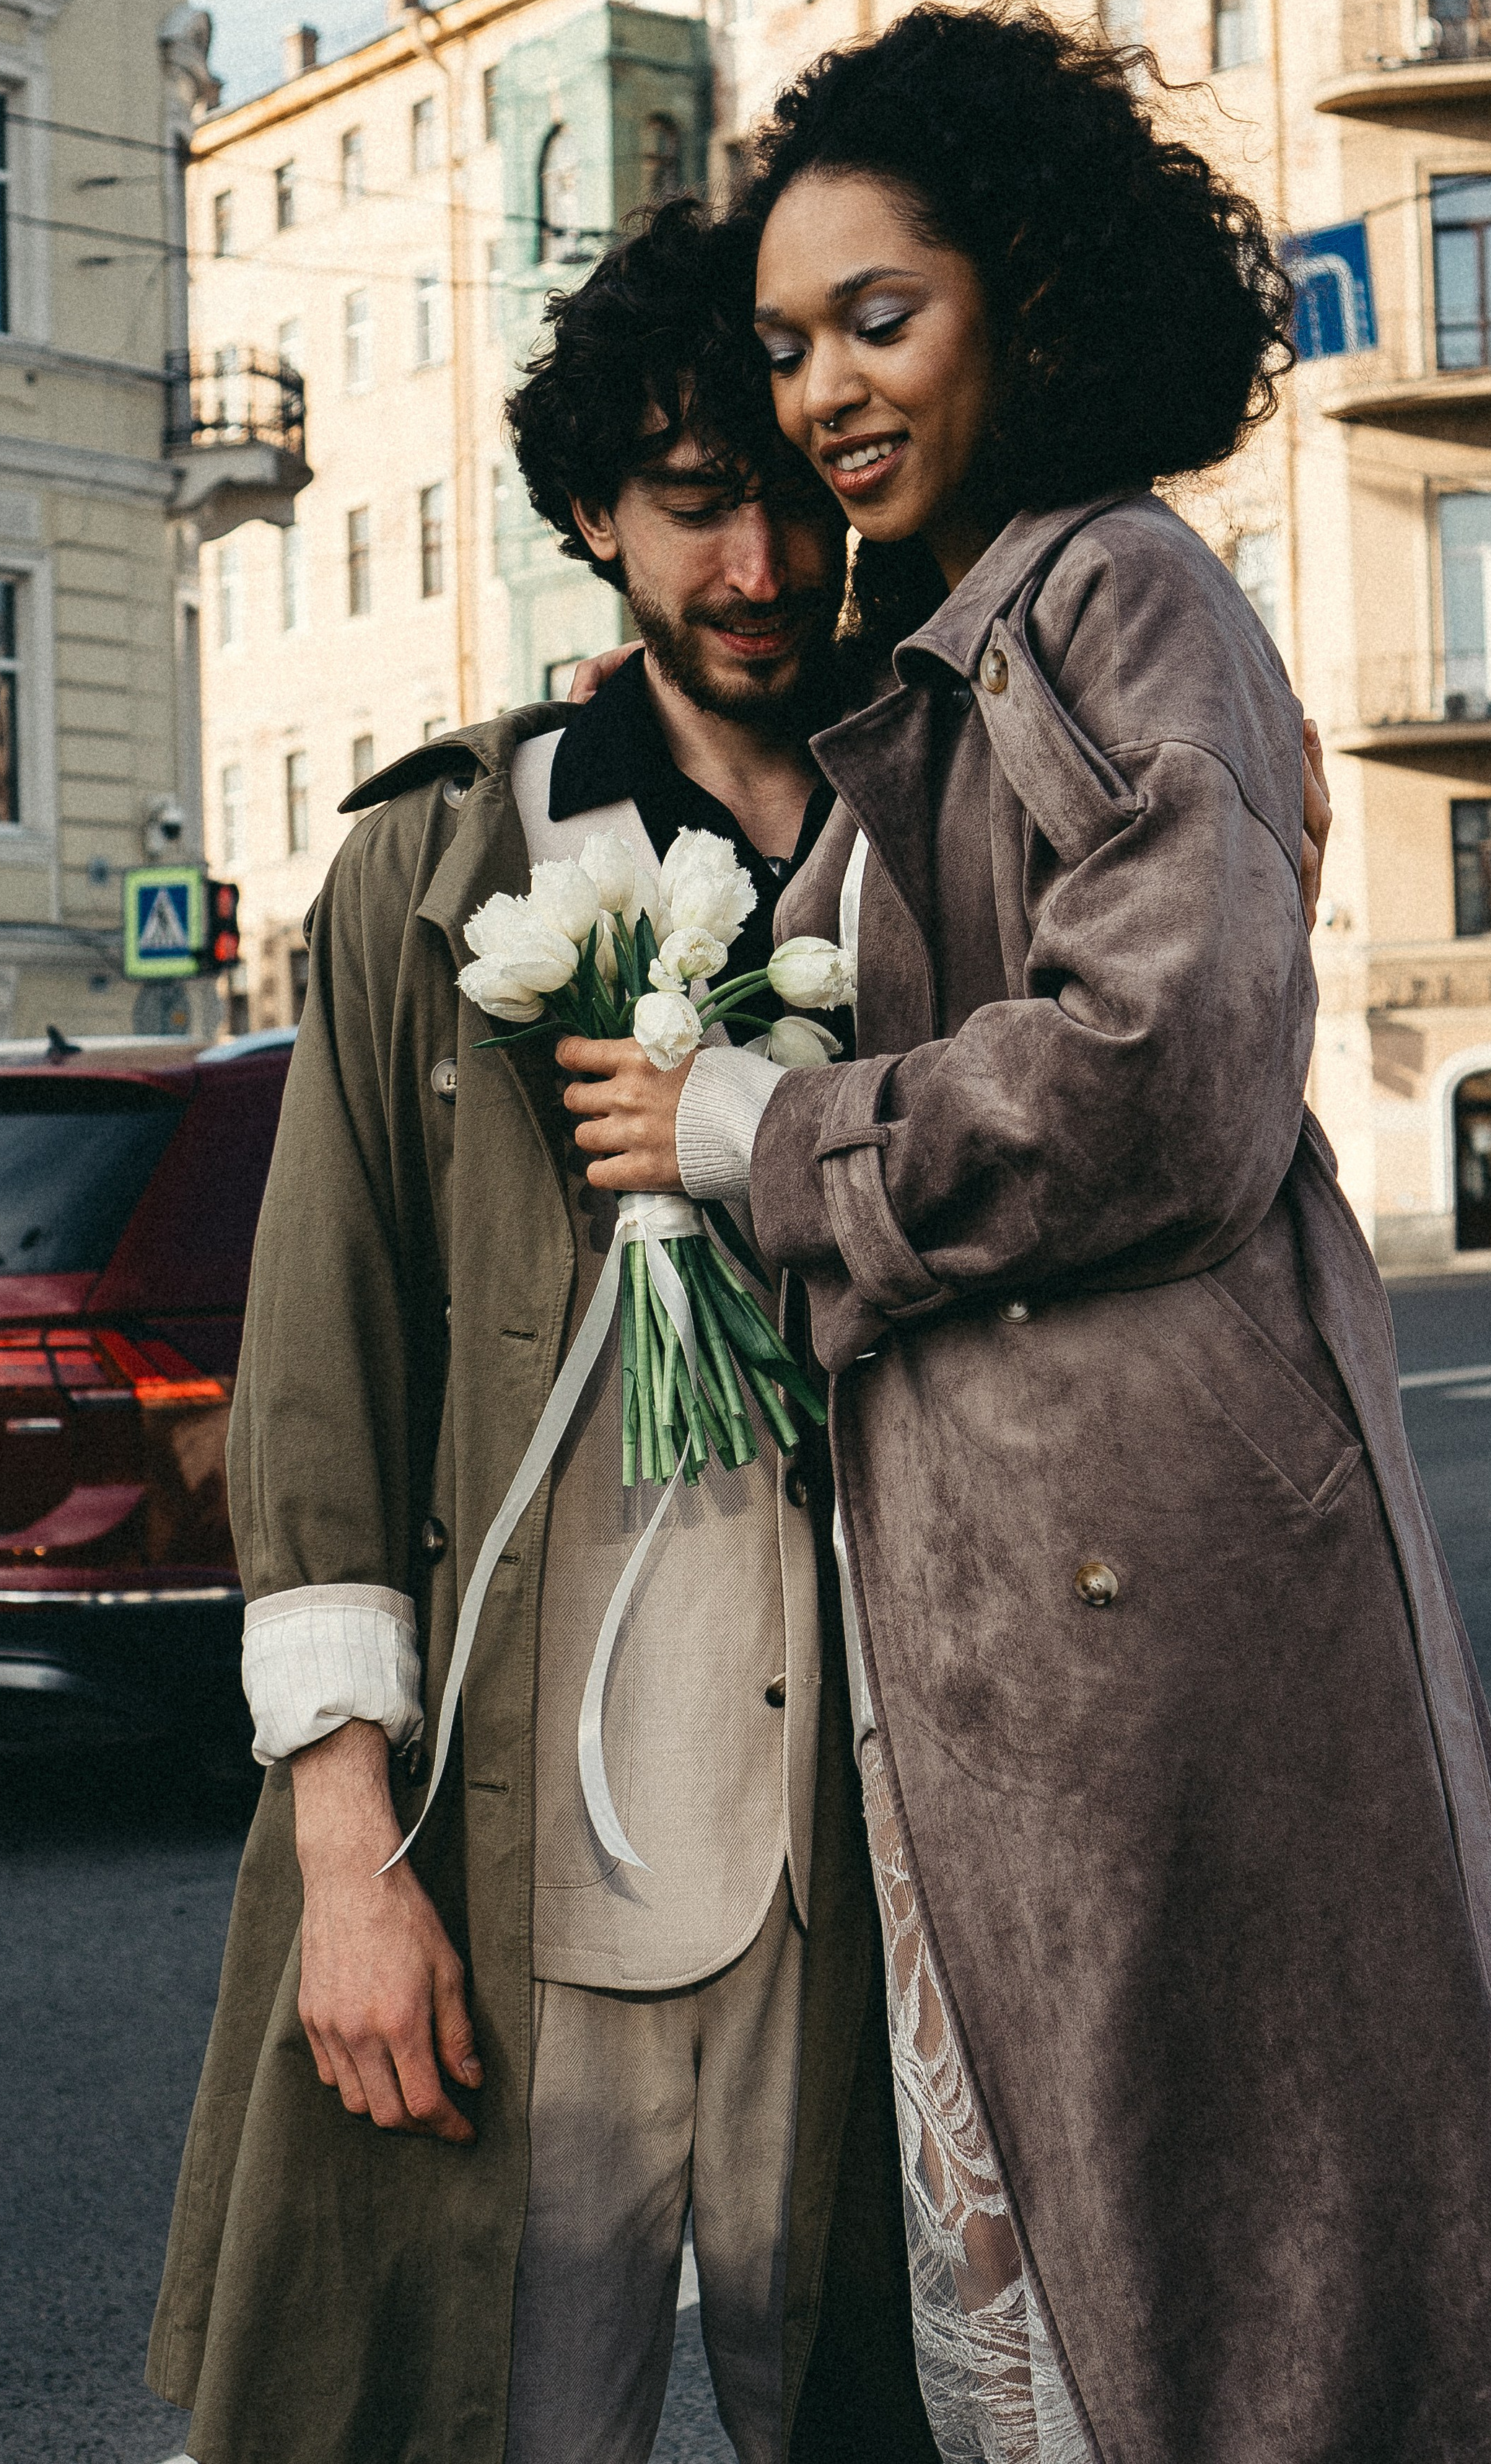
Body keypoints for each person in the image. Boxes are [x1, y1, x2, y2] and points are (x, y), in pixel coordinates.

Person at [558, 2, 1491, 2463]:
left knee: (1234, 2279)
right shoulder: (969, 635)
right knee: (1105, 2263)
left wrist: (750, 1144)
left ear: (1028, 291)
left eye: (877, 318)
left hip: (1150, 1583)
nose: (822, 394)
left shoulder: (1112, 588)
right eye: (789, 346)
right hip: (1029, 1601)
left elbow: (1162, 1077)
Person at [147, 196, 943, 2464]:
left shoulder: (952, 859)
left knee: (910, 2415)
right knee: (483, 2421)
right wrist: (344, 1874)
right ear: (597, 511)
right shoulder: (433, 872)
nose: (765, 562)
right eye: (700, 504)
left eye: (801, 492)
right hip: (512, 1881)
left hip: (875, 1878)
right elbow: (318, 1395)